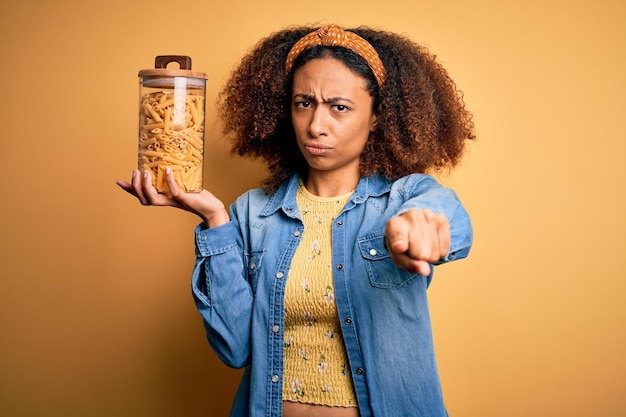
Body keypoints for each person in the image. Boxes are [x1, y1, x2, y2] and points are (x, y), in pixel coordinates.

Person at [117, 23, 475, 417]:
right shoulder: (253, 212)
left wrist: (419, 228)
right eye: (304, 103)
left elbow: (448, 219)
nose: (315, 125)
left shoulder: (403, 199)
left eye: (339, 107)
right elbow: (234, 349)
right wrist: (215, 220)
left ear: (376, 117)